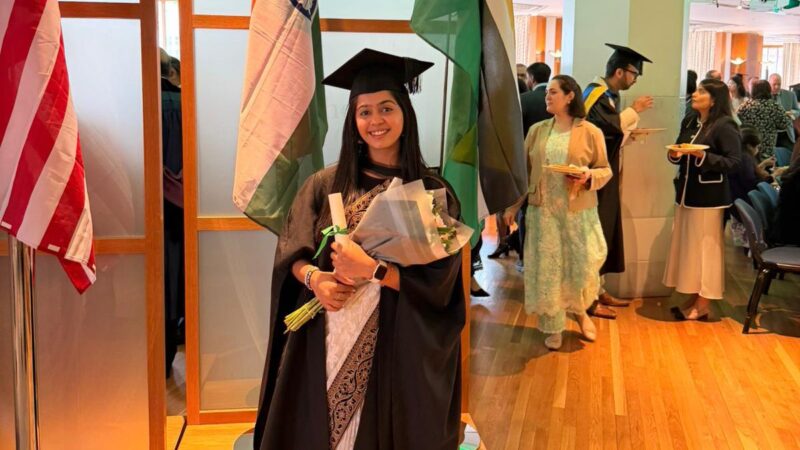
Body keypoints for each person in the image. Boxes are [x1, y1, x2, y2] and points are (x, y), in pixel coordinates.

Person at [253, 49, 466, 449]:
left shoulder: (431, 193)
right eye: (364, 112)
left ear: (405, 114)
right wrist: (316, 280)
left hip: (394, 341)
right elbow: (291, 256)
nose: (375, 121)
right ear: (353, 121)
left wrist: (374, 270)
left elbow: (440, 287)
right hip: (328, 331)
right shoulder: (325, 184)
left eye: (386, 108)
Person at [504, 75, 612, 350]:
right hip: (544, 212)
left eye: (553, 92)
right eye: (547, 93)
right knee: (549, 271)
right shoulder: (538, 130)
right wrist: (513, 207)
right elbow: (525, 174)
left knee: (581, 265)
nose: (547, 97)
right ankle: (553, 326)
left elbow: (605, 169)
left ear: (570, 96)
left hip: (578, 212)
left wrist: (587, 177)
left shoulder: (590, 131)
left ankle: (581, 313)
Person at [582, 43, 654, 319]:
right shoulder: (595, 94)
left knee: (605, 230)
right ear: (621, 71)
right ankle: (588, 297)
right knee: (595, 232)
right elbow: (606, 129)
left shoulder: (609, 96)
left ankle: (599, 289)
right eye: (635, 73)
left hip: (606, 173)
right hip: (593, 178)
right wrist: (635, 110)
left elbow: (610, 134)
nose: (635, 79)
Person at [664, 79, 741, 320]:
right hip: (687, 193)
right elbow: (677, 149)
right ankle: (695, 296)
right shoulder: (690, 120)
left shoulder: (724, 125)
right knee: (689, 249)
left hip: (709, 197)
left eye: (701, 92)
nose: (695, 94)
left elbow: (733, 162)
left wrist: (701, 156)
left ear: (714, 99)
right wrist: (675, 154)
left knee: (707, 251)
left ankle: (704, 302)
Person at [160, 48, 184, 377]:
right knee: (177, 282)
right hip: (183, 209)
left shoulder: (136, 103)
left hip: (144, 212)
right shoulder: (185, 103)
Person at [737, 80, 793, 161]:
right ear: (768, 90)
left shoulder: (745, 106)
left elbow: (737, 123)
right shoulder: (774, 106)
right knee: (766, 170)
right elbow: (785, 124)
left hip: (749, 147)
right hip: (767, 147)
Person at [768, 73, 799, 149]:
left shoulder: (790, 95)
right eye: (774, 84)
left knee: (791, 155)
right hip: (770, 132)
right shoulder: (765, 95)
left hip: (786, 132)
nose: (777, 87)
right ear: (769, 84)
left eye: (779, 84)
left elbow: (797, 110)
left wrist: (792, 114)